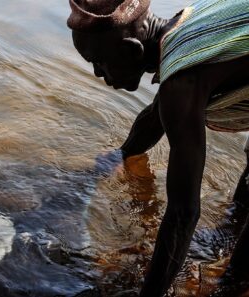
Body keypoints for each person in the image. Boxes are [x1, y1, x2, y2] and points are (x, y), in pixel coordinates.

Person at [67, 0, 249, 296]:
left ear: (131, 50)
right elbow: (154, 118)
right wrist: (119, 157)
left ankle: (233, 282)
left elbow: (183, 213)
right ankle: (227, 242)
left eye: (98, 61)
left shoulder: (181, 83)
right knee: (238, 215)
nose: (99, 74)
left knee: (231, 283)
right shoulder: (183, 26)